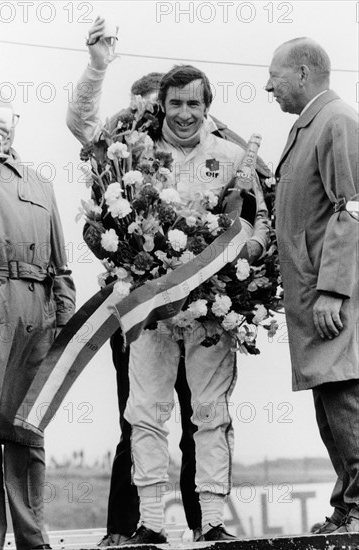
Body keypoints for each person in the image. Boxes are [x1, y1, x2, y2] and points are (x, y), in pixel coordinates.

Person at [66, 18, 271, 546]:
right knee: (145, 412)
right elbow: (79, 120)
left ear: (208, 108)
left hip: (209, 311)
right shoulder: (132, 149)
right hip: (151, 314)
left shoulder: (231, 156)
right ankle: (151, 523)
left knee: (210, 414)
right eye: (175, 104)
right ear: (162, 105)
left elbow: (259, 220)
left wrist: (249, 251)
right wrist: (96, 66)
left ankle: (214, 519)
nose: (184, 114)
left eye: (194, 106)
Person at [0, 89, 76, 550]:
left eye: (8, 118)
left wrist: (64, 317)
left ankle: (33, 536)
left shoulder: (38, 182)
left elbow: (60, 262)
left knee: (28, 426)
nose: (2, 127)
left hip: (33, 315)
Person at [266, 37, 359, 534]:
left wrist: (334, 290)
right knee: (330, 399)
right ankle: (348, 504)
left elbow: (354, 209)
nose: (267, 86)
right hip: (312, 294)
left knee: (345, 393)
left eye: (275, 76)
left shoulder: (337, 121)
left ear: (302, 73)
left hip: (330, 296)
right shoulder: (310, 125)